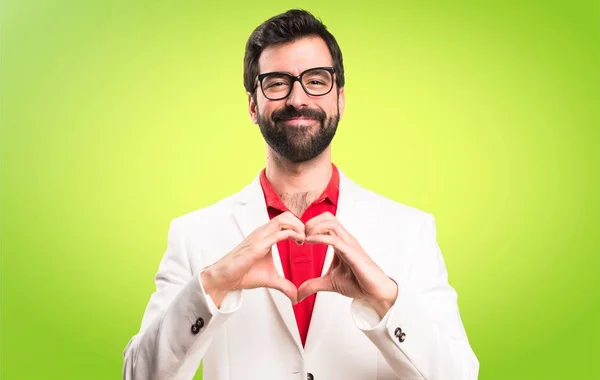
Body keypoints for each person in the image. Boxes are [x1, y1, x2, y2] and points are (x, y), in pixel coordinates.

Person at [122, 9, 478, 380]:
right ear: (252, 105)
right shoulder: (193, 234)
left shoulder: (410, 230)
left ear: (340, 98)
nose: (297, 98)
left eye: (316, 80)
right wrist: (212, 286)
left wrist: (386, 301)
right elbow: (138, 375)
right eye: (277, 83)